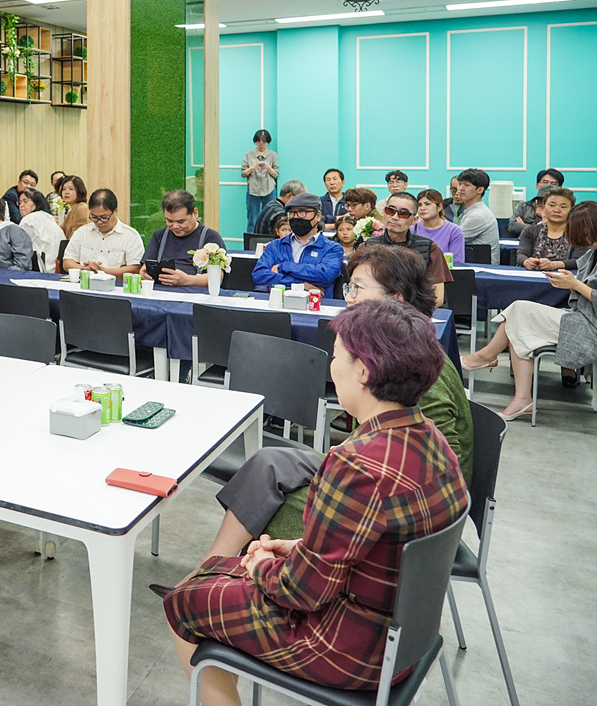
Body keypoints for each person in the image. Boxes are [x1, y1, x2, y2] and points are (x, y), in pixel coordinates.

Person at [163, 297, 469, 703]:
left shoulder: (357, 464)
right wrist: (292, 549)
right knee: (219, 574)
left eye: (337, 354)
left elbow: (303, 592)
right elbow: (371, 547)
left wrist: (261, 565)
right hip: (405, 637)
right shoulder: (431, 437)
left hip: (351, 649)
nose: (332, 364)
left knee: (183, 600)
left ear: (363, 370)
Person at [177, 245, 473, 590]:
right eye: (349, 287)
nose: (348, 297)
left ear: (395, 298)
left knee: (275, 500)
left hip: (402, 503)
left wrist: (340, 470)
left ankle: (236, 579)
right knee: (270, 461)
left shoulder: (413, 363)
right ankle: (213, 569)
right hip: (375, 465)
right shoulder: (402, 345)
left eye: (358, 288)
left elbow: (431, 466)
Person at [462, 201, 597, 419]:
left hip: (589, 326)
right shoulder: (591, 255)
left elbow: (584, 289)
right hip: (580, 318)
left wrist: (575, 284)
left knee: (519, 313)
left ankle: (486, 357)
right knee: (518, 315)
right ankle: (519, 394)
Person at [365, 191, 453, 306]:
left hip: (415, 313)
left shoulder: (429, 248)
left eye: (403, 214)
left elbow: (437, 298)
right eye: (390, 211)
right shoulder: (368, 247)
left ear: (415, 220)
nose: (395, 217)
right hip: (376, 310)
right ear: (383, 213)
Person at [252, 192, 343, 294]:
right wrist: (301, 285)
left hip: (316, 306)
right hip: (278, 304)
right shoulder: (275, 246)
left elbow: (325, 275)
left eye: (302, 212)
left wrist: (284, 267)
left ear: (317, 216)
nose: (296, 217)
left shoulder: (332, 248)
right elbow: (259, 275)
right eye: (292, 212)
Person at [141, 189, 224, 288]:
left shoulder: (210, 238)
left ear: (195, 213)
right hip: (161, 293)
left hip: (195, 295)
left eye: (181, 221)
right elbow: (144, 268)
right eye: (169, 221)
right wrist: (144, 274)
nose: (175, 226)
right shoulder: (159, 236)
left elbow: (218, 277)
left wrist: (188, 280)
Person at [62, 188, 144, 279]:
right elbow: (67, 262)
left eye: (104, 217)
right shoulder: (81, 232)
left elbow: (135, 268)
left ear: (115, 211)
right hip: (84, 285)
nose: (99, 222)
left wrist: (102, 271)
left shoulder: (131, 236)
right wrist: (84, 269)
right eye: (94, 217)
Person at [517, 187, 585, 271]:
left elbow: (579, 260)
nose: (557, 210)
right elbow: (521, 254)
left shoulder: (579, 233)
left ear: (572, 210)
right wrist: (526, 262)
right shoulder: (529, 231)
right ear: (544, 207)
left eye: (563, 207)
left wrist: (554, 265)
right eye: (552, 205)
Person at [412, 188, 465, 265]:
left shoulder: (454, 230)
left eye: (427, 204)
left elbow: (457, 261)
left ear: (439, 207)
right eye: (419, 205)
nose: (422, 208)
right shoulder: (412, 229)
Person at [17, 188, 65, 273]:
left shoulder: (29, 219)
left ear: (37, 202)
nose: (21, 205)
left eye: (25, 201)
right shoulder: (49, 217)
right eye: (19, 202)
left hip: (43, 269)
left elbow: (19, 247)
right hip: (59, 266)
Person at [453, 168, 500, 253]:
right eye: (459, 184)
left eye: (467, 185)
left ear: (480, 190)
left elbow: (454, 240)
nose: (460, 189)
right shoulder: (472, 210)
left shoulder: (478, 215)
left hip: (479, 264)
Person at [508, 168, 565, 237]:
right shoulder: (525, 206)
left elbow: (559, 230)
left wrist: (544, 215)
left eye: (553, 183)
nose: (548, 186)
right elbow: (512, 226)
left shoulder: (563, 209)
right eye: (545, 182)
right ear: (537, 185)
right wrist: (534, 228)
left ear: (560, 188)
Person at [241, 129, 278, 229]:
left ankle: (269, 241)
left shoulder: (273, 155)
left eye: (264, 143)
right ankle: (251, 242)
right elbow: (243, 173)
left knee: (271, 217)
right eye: (258, 142)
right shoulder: (249, 155)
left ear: (267, 143)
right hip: (253, 190)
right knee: (252, 219)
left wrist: (268, 168)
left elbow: (276, 174)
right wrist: (253, 167)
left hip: (269, 189)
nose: (261, 145)